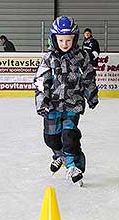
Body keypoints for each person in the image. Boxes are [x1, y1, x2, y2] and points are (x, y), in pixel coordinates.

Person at [34, 16, 99, 186]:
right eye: (61, 40)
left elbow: (88, 78)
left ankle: (73, 166)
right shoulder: (49, 57)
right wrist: (42, 103)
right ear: (54, 39)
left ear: (75, 39)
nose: (64, 44)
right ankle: (59, 155)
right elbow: (41, 82)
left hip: (73, 104)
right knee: (51, 138)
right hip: (52, 105)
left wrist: (91, 96)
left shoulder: (81, 56)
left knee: (69, 136)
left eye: (68, 40)